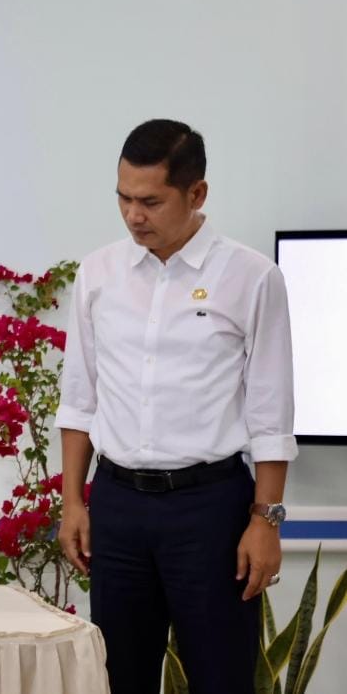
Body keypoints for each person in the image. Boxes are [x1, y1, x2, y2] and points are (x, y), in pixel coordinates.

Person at [56, 119, 294, 693]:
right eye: (123, 198)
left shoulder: (252, 277)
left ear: (197, 193)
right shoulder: (99, 273)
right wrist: (73, 502)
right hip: (117, 506)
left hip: (209, 509)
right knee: (119, 677)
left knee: (220, 678)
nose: (133, 215)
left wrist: (266, 521)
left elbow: (271, 411)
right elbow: (80, 399)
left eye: (151, 202)